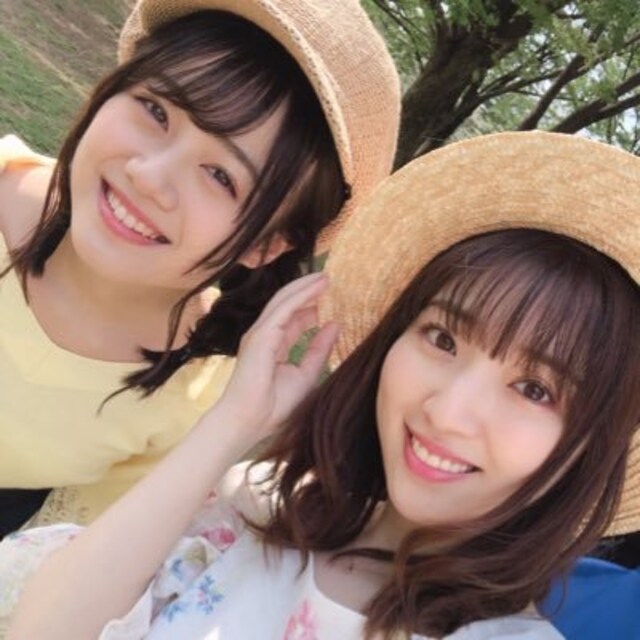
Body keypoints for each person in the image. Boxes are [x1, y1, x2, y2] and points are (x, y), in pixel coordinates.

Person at [2, 130, 639, 639]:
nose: (448, 411)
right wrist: (234, 422)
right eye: (442, 339)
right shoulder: (261, 508)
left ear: (596, 441)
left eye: (535, 390)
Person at [0, 0, 400, 535]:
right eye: (156, 111)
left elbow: (58, 552)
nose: (149, 175)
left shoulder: (198, 399)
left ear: (268, 244)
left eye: (220, 176)